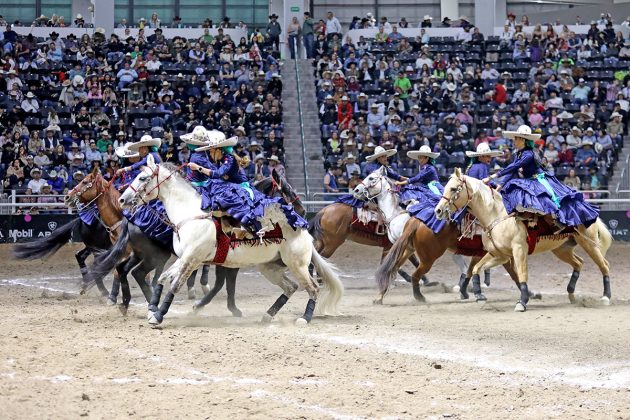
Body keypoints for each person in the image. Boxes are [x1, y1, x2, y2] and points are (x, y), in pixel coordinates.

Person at [187, 130, 307, 237]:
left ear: (218, 149)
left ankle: (251, 226)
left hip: (241, 187)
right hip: (231, 185)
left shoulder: (229, 158)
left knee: (234, 201)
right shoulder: (221, 159)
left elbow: (217, 174)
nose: (210, 153)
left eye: (211, 150)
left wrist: (198, 168)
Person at [483, 125, 599, 229]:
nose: (514, 141)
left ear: (523, 140)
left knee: (548, 199)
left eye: (516, 138)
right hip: (529, 180)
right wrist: (499, 185)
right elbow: (511, 170)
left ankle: (557, 221)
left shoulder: (528, 154)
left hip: (539, 179)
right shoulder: (518, 153)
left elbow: (513, 167)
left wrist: (491, 177)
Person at [464, 142, 504, 286]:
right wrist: (497, 187)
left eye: (490, 155)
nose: (490, 158)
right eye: (487, 155)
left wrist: (494, 185)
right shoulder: (481, 167)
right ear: (481, 157)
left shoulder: (473, 167)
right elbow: (483, 186)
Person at [396, 145, 448, 234]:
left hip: (434, 187)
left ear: (427, 158)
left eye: (421, 158)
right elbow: (417, 178)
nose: (419, 160)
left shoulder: (429, 168)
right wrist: (405, 179)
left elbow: (417, 178)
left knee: (435, 200)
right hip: (427, 186)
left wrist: (401, 183)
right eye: (419, 158)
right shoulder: (424, 167)